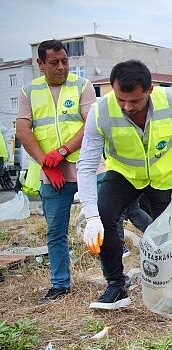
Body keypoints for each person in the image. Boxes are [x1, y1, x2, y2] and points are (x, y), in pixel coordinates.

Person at [77, 60, 172, 310]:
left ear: (150, 89)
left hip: (165, 175)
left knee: (171, 229)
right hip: (125, 174)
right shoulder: (101, 110)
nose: (126, 106)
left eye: (134, 101)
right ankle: (116, 286)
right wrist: (91, 217)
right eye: (121, 98)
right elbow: (87, 165)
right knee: (105, 215)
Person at [15, 40, 97, 305]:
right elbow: (23, 130)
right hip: (52, 174)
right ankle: (60, 284)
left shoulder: (82, 86)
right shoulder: (29, 91)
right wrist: (46, 164)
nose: (61, 67)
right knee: (55, 231)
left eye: (64, 61)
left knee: (105, 222)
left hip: (86, 168)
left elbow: (91, 126)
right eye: (54, 62)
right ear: (40, 64)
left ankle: (115, 281)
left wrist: (61, 152)